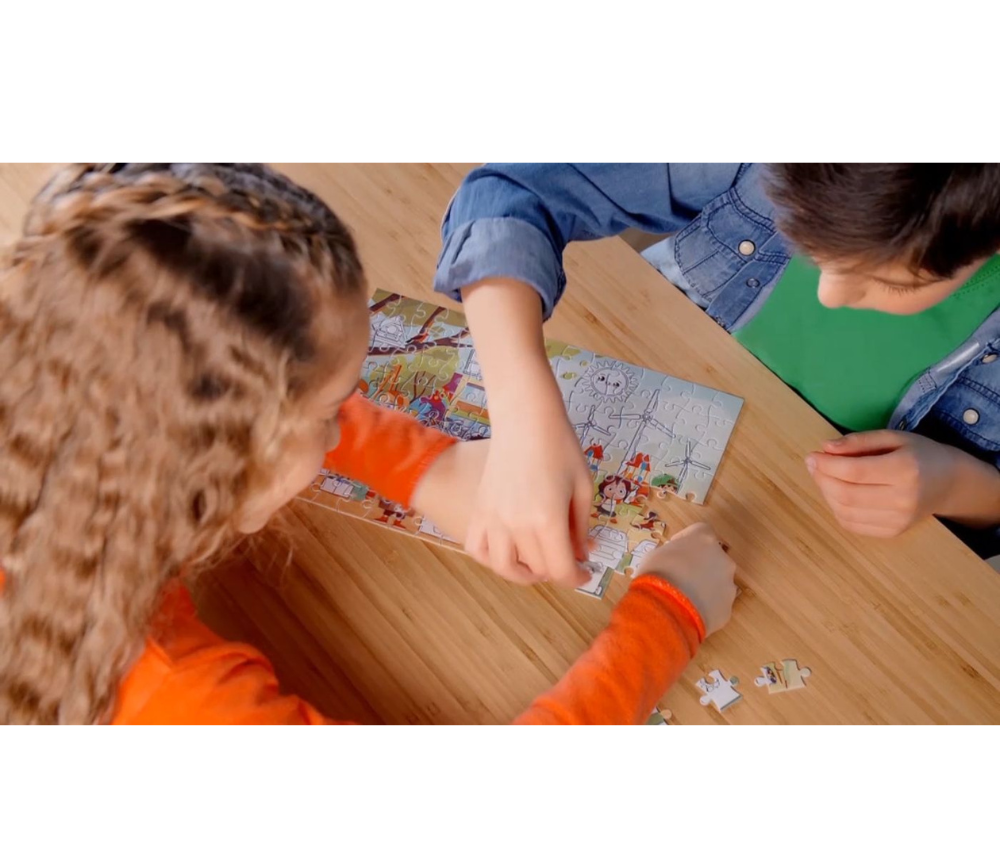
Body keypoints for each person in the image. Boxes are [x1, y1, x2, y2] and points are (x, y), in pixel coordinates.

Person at [0, 163, 737, 725]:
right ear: (230, 456)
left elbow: (210, 373)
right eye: (330, 411)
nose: (340, 421)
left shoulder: (51, 374)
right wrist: (667, 616)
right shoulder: (193, 704)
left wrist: (430, 469)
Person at [434, 163, 1000, 585]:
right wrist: (523, 417)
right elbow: (513, 190)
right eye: (806, 237)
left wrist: (958, 484)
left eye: (896, 283)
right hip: (654, 377)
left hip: (805, 545)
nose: (830, 293)